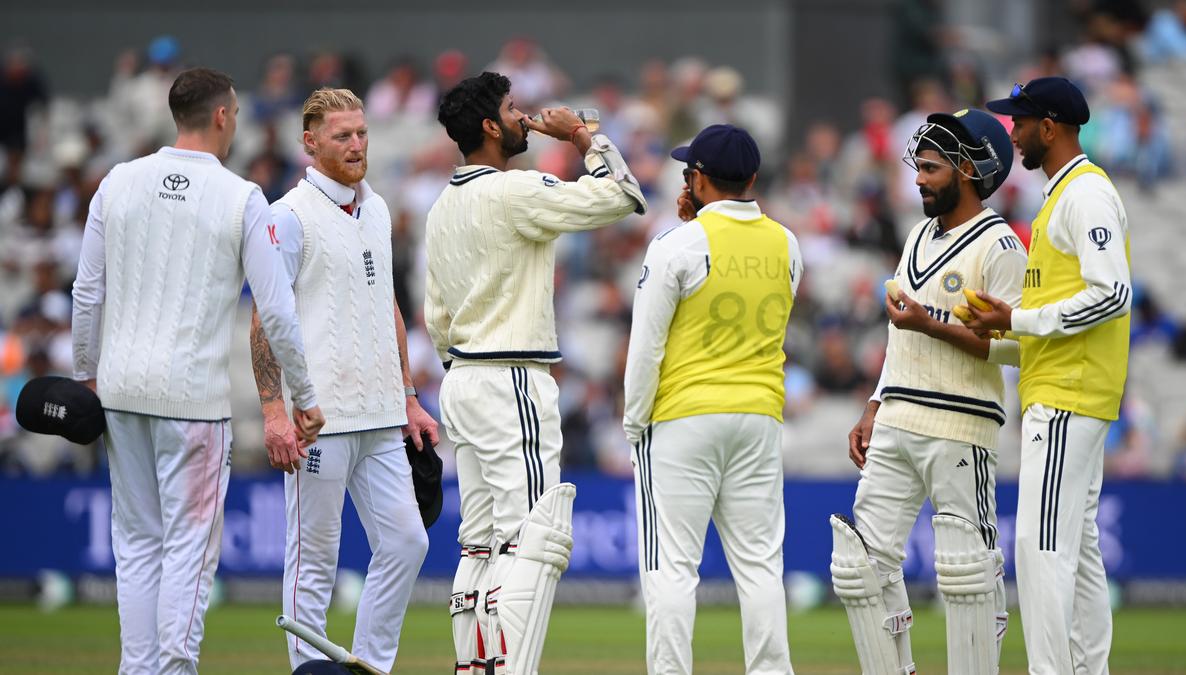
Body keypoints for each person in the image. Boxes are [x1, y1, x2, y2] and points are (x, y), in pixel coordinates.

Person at [70, 67, 323, 675]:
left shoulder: (117, 181)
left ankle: (138, 669)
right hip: (193, 400)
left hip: (122, 391)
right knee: (188, 549)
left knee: (135, 545)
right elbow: (278, 311)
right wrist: (304, 393)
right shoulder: (241, 197)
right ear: (220, 116)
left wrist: (86, 375)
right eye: (234, 114)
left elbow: (86, 292)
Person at [427, 71, 646, 675]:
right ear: (491, 127)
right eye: (513, 108)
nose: (524, 116)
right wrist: (581, 136)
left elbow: (437, 317)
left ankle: (478, 668)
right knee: (535, 539)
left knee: (481, 543)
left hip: (463, 381)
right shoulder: (515, 191)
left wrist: (466, 370)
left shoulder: (442, 205)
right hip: (509, 377)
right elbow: (622, 196)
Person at [246, 87, 439, 673]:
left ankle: (370, 666)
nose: (356, 146)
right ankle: (309, 667)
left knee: (408, 542)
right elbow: (263, 318)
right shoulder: (288, 216)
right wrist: (275, 410)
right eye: (341, 136)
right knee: (314, 559)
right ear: (310, 142)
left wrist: (409, 396)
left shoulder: (376, 208)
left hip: (381, 413)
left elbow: (389, 309)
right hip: (317, 419)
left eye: (361, 134)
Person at [831, 109, 1025, 675]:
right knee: (861, 565)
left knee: (966, 570)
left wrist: (930, 326)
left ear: (968, 170)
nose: (918, 178)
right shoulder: (916, 233)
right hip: (896, 419)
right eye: (918, 166)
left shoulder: (1001, 246)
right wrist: (874, 403)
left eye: (932, 168)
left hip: (961, 425)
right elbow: (900, 330)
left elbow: (1018, 346)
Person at [622, 124, 801, 674]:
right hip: (760, 416)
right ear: (751, 178)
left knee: (672, 568)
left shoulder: (677, 243)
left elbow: (646, 347)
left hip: (683, 418)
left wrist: (633, 424)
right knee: (760, 567)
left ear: (698, 179)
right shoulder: (787, 242)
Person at [970, 77, 1131, 675]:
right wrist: (992, 337)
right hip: (1066, 388)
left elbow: (1111, 294)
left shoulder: (1084, 195)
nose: (1011, 131)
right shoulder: (1061, 198)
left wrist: (1016, 316)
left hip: (1069, 395)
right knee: (1079, 549)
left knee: (1040, 551)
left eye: (1020, 121)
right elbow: (1051, 320)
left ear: (1050, 127)